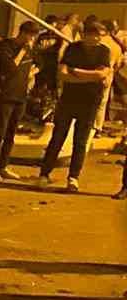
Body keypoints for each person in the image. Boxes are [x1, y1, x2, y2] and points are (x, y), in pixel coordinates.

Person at [37, 18, 113, 192]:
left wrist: (76, 71)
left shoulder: (103, 51)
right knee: (57, 137)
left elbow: (102, 74)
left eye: (100, 35)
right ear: (85, 35)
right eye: (94, 35)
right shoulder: (73, 48)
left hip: (90, 101)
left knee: (80, 141)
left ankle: (73, 178)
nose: (97, 39)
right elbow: (63, 74)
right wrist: (90, 76)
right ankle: (44, 174)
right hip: (68, 100)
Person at [0, 21, 38, 181]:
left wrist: (32, 72)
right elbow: (11, 68)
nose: (32, 39)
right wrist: (23, 51)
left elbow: (41, 63)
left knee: (11, 133)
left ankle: (3, 166)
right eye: (30, 35)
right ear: (23, 33)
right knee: (0, 131)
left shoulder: (30, 49)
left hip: (21, 95)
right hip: (6, 94)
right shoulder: (6, 46)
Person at [93, 16, 122, 133]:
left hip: (91, 75)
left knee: (90, 103)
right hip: (108, 76)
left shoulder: (98, 42)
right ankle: (98, 128)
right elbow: (118, 65)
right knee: (102, 104)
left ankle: (89, 126)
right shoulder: (116, 46)